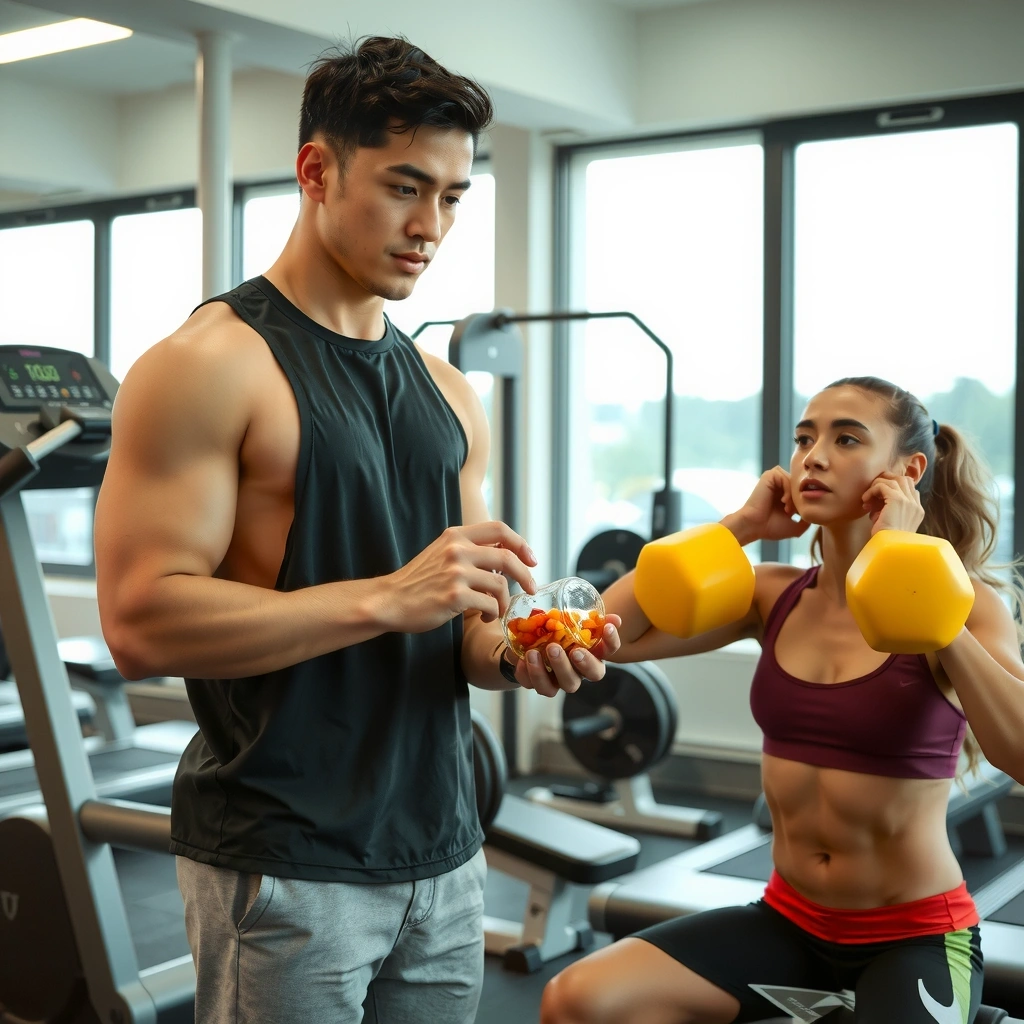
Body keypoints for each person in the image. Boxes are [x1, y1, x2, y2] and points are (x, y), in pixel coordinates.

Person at [94, 35, 621, 1024]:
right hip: (286, 853)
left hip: (444, 849)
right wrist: (386, 597)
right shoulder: (210, 365)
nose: (432, 225)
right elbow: (139, 622)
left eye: (455, 196)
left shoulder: (450, 395)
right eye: (404, 187)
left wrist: (521, 652)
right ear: (316, 171)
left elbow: (460, 631)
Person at [541, 376, 1024, 1024]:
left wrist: (927, 601)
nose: (813, 456)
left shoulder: (960, 599)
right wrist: (737, 527)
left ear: (907, 471)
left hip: (915, 936)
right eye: (804, 438)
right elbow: (598, 637)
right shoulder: (772, 595)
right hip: (785, 919)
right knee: (576, 1000)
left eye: (845, 438)